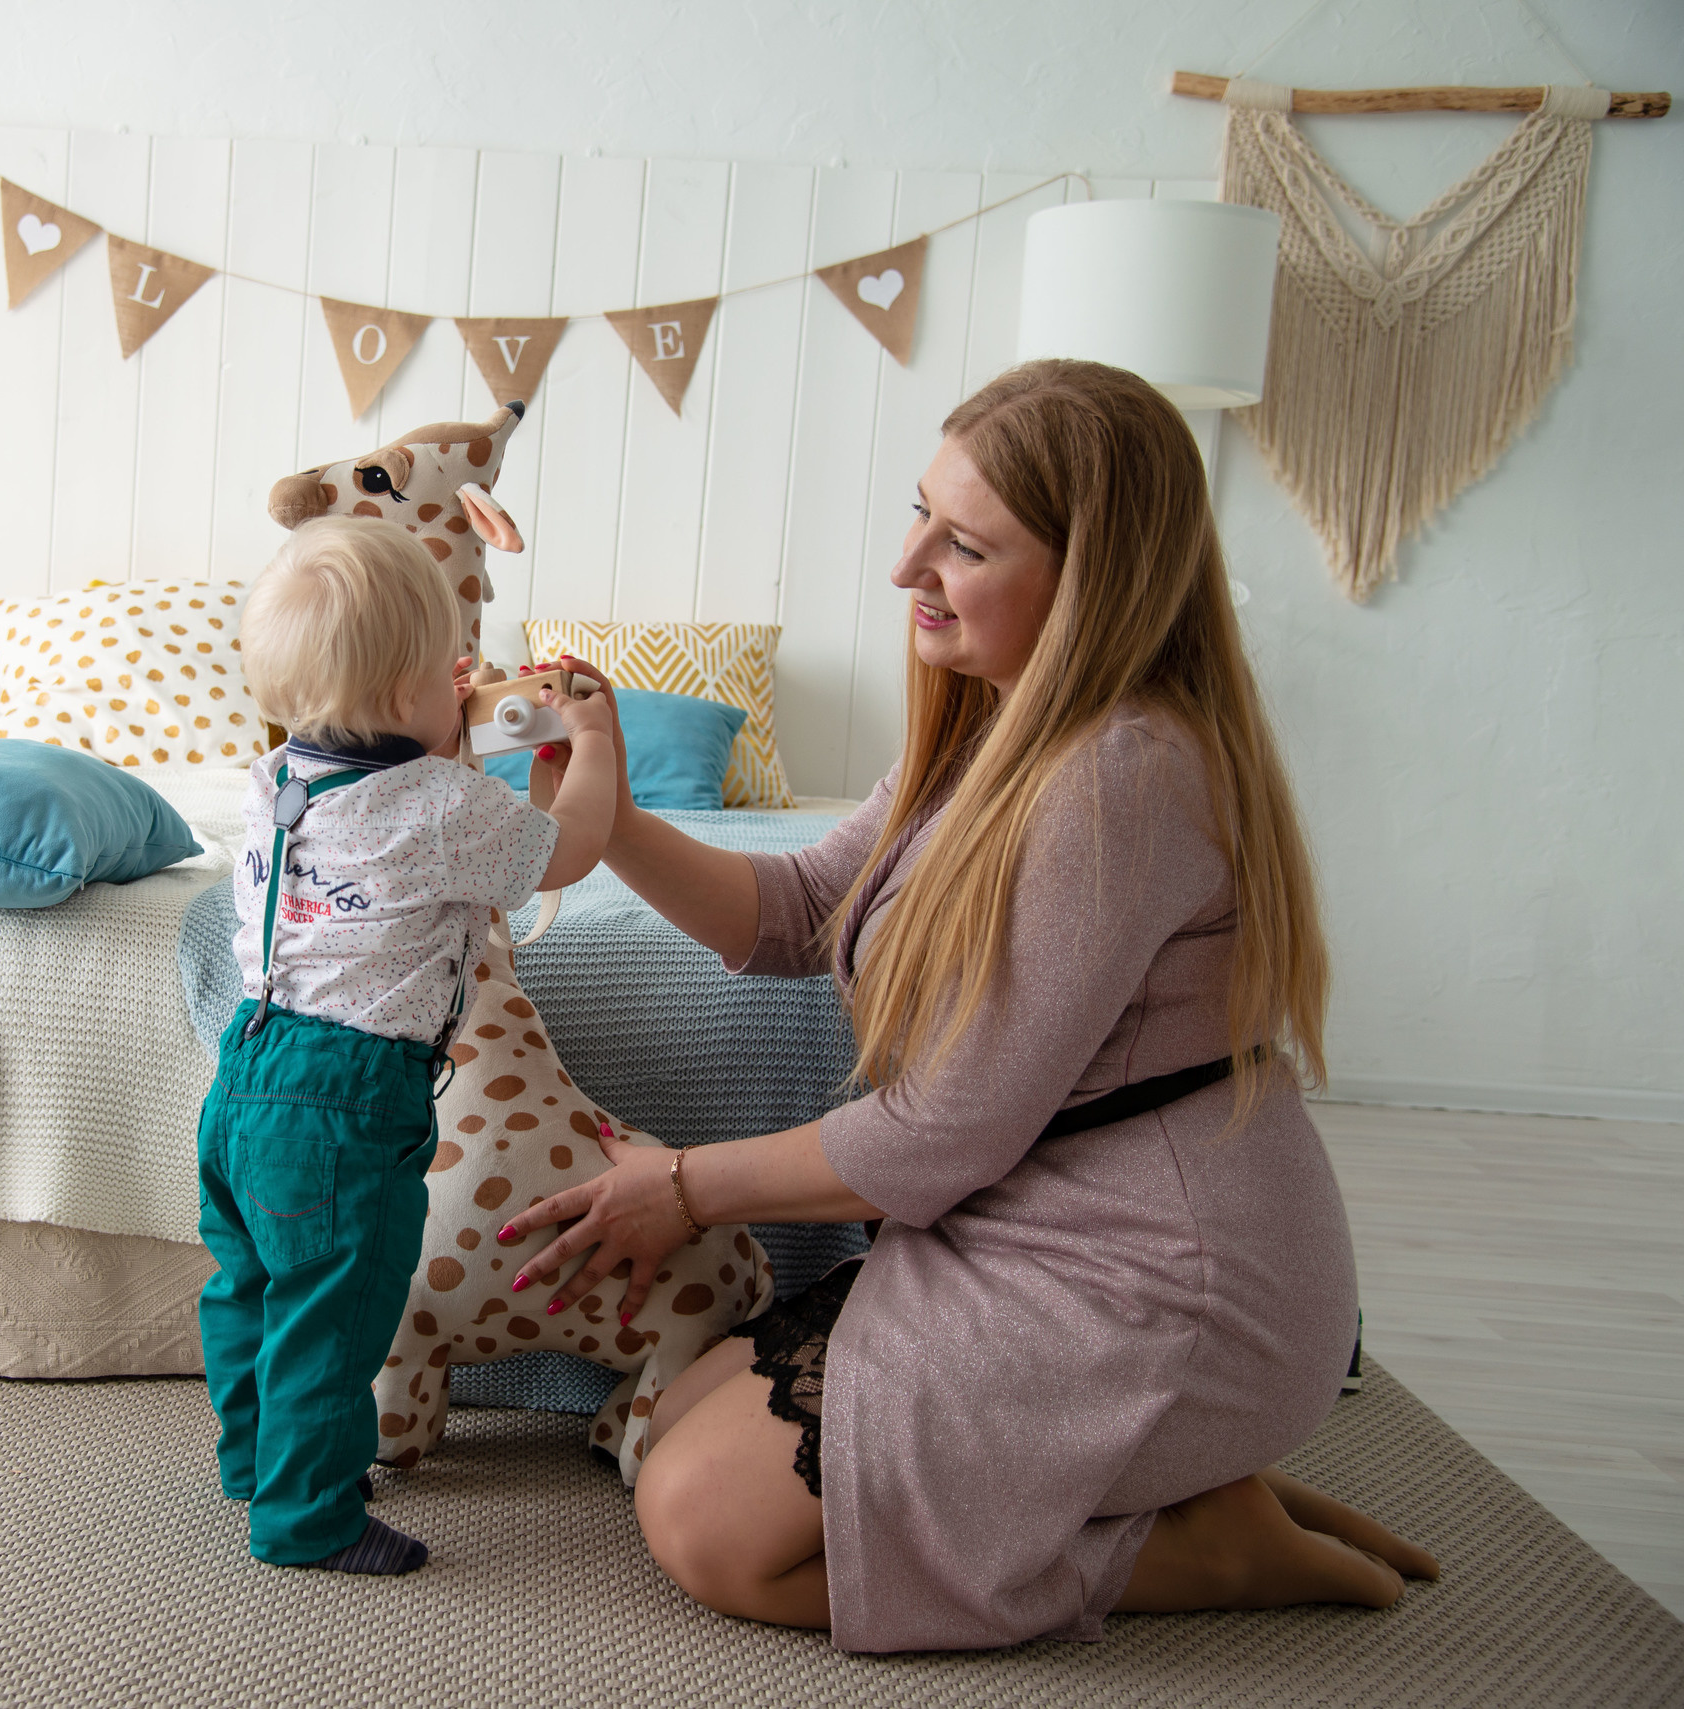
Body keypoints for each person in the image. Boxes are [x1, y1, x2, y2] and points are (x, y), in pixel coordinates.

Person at [505, 360, 1441, 1649]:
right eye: (918, 512)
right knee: (682, 1411)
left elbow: (937, 1138)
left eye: (965, 543)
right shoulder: (995, 728)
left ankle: (1196, 1542)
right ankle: (1146, 1488)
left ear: (1091, 580)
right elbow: (794, 910)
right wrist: (598, 811)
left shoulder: (1120, 777)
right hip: (1028, 1224)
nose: (904, 567)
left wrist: (679, 1186)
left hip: (1162, 1283)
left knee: (709, 1526)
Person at [200, 514, 618, 1574]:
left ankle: (258, 1458)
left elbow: (388, 800)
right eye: (446, 669)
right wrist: (597, 744)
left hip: (244, 1070)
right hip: (349, 1094)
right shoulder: (439, 800)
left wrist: (435, 707)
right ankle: (308, 1518)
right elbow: (561, 852)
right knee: (335, 1311)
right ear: (402, 700)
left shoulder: (276, 778)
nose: (461, 682)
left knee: (249, 1284)